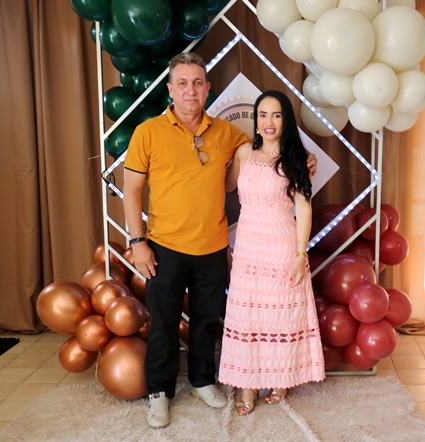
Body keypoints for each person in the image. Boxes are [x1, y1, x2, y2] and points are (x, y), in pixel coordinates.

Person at [123, 53, 316, 429]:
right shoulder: (147, 132)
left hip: (213, 246)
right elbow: (131, 190)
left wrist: (302, 158)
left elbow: (270, 150)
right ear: (170, 89)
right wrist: (137, 240)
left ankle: (202, 381)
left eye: (197, 83)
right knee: (162, 322)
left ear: (208, 88)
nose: (190, 90)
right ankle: (159, 393)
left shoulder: (228, 134)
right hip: (164, 245)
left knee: (206, 321)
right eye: (182, 83)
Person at [217, 90, 326, 416]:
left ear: (285, 120)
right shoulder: (243, 153)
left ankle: (281, 379)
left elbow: (304, 208)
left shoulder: (296, 158)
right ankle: (247, 385)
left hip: (281, 245)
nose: (268, 121)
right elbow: (226, 186)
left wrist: (300, 255)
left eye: (276, 115)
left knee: (280, 317)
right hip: (248, 247)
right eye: (262, 115)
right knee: (248, 316)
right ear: (255, 120)